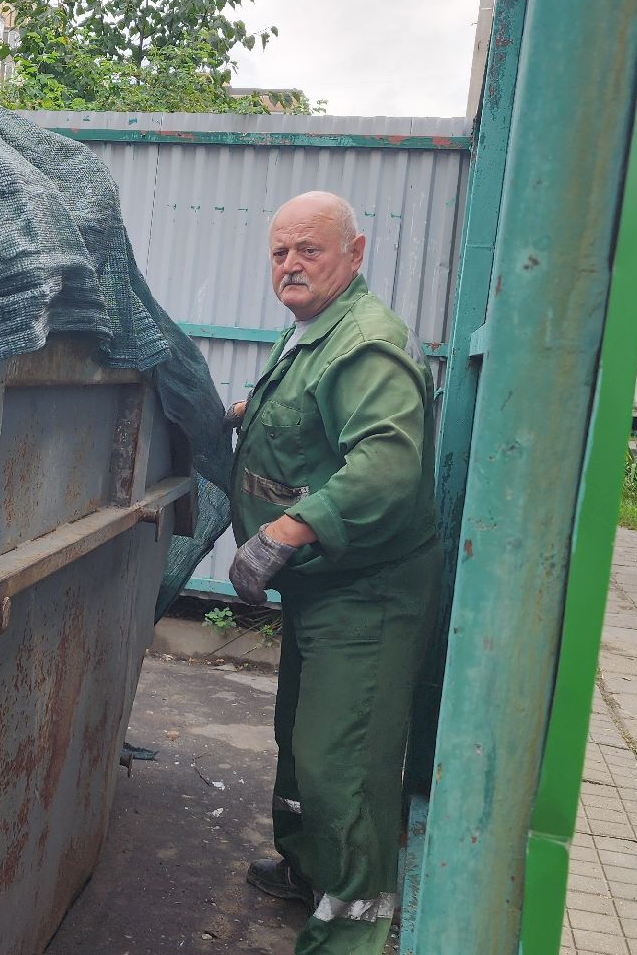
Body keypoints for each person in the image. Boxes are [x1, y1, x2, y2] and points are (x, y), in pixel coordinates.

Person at [225, 190, 442, 955]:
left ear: (354, 253)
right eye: (281, 251)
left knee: (341, 766)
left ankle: (350, 936)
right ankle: (309, 870)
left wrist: (284, 531)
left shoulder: (364, 342)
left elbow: (386, 468)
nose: (290, 264)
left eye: (309, 250)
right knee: (299, 743)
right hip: (324, 588)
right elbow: (306, 419)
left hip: (367, 594)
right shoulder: (314, 334)